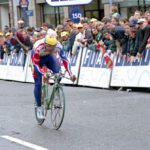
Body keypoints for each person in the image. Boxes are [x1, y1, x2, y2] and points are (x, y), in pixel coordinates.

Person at [31, 34, 76, 119]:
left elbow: (65, 60)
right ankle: (39, 107)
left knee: (58, 72)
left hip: (48, 58)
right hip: (37, 61)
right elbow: (36, 64)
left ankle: (56, 89)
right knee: (38, 84)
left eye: (53, 46)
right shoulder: (38, 47)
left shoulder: (58, 46)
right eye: (49, 46)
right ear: (45, 44)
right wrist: (43, 73)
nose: (52, 48)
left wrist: (71, 74)